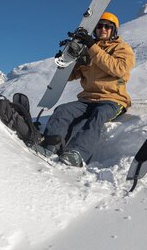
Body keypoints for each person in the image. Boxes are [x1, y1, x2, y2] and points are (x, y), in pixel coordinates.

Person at [41, 11, 135, 167]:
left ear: (114, 30)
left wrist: (92, 46)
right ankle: (50, 146)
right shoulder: (88, 50)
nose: (102, 29)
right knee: (62, 110)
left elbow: (119, 69)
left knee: (98, 115)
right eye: (99, 26)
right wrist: (65, 62)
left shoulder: (122, 48)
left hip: (113, 100)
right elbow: (72, 76)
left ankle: (78, 153)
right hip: (87, 99)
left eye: (107, 26)